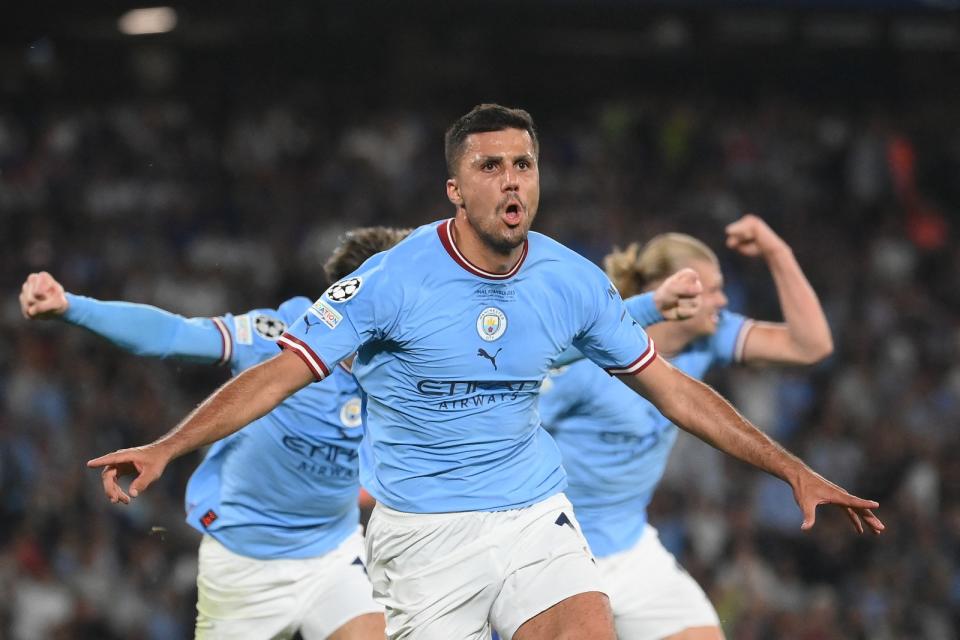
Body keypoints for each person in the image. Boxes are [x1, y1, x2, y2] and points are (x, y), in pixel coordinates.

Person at [86, 104, 883, 640]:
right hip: (422, 538)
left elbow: (673, 389)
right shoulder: (393, 280)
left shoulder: (571, 280)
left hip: (533, 515)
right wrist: (168, 447)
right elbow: (279, 374)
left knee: (586, 626)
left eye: (525, 165)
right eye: (492, 165)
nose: (512, 181)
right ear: (456, 188)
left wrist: (792, 470)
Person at [19, 226, 412, 640]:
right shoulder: (280, 337)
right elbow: (173, 335)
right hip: (243, 564)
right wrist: (71, 308)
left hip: (334, 555)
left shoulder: (404, 369)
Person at [539, 216, 836, 640]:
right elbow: (507, 431)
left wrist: (777, 252)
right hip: (559, 555)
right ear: (665, 286)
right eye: (710, 288)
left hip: (632, 549)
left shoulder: (707, 337)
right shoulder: (587, 361)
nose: (722, 298)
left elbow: (811, 345)